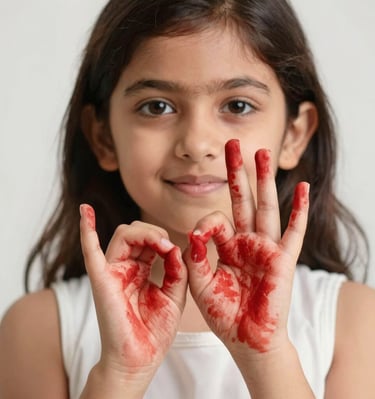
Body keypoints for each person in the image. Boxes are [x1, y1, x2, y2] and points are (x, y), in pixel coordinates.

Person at [1, 0, 375, 398]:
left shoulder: (351, 320)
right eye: (157, 106)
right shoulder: (40, 327)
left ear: (295, 135)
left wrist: (267, 357)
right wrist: (121, 373)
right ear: (103, 137)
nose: (196, 144)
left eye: (237, 105)